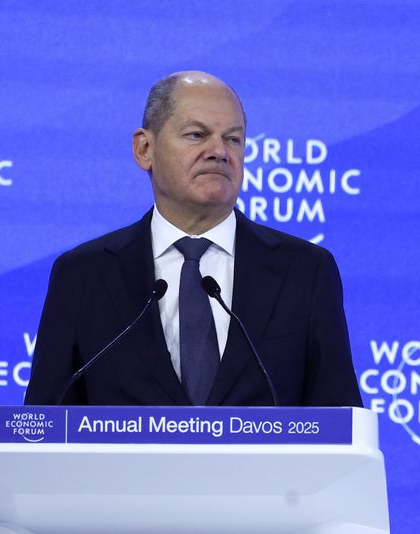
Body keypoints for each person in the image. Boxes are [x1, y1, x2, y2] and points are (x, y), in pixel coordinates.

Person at [24, 71, 362, 407]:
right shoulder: (84, 275)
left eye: (233, 139)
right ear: (144, 149)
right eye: (197, 134)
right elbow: (42, 429)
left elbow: (340, 427)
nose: (219, 151)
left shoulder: (304, 271)